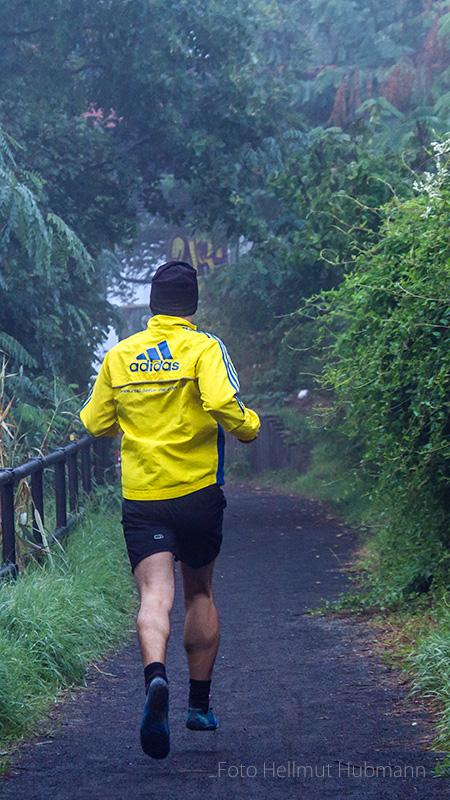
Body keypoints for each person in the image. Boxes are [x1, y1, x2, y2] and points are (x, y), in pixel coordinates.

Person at [80, 260, 260, 760]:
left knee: (155, 597)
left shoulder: (121, 355)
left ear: (153, 304)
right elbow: (224, 404)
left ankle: (154, 678)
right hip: (198, 492)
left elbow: (96, 423)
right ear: (193, 306)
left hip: (144, 497)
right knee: (199, 592)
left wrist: (131, 419)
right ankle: (198, 708)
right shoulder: (204, 347)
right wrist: (248, 427)